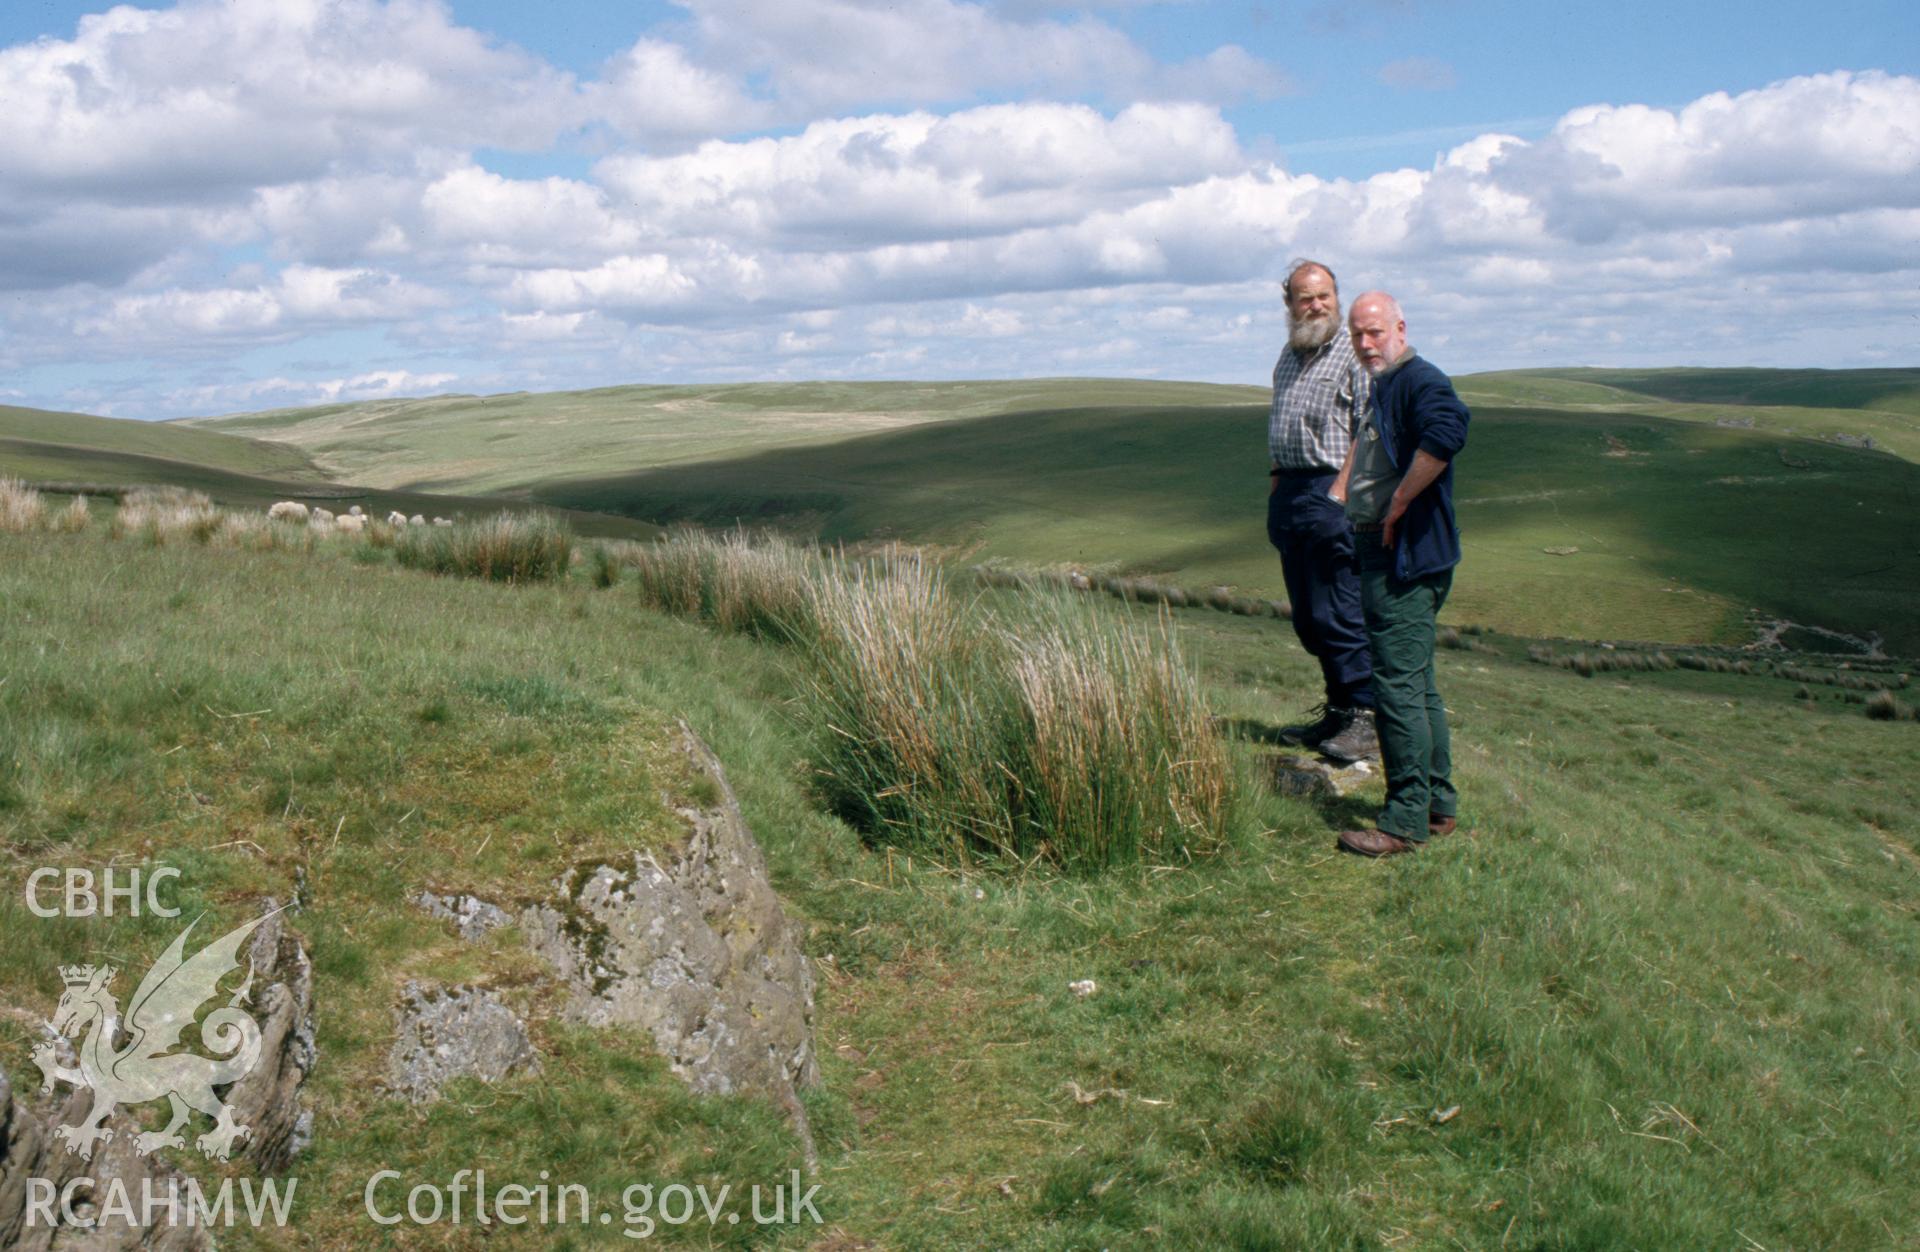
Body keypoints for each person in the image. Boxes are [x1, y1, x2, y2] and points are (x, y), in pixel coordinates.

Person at [1331, 292, 1469, 857]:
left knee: (1396, 690)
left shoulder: (1418, 380)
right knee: (1418, 686)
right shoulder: (1386, 383)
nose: (1366, 344)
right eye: (1357, 335)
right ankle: (1437, 807)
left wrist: (1398, 505)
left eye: (1375, 332)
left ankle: (1404, 822)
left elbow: (1448, 430)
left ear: (1400, 328)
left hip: (1402, 560)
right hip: (1392, 554)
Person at [1266, 260, 1377, 762]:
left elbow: (1367, 429)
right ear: (1289, 304)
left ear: (1336, 297)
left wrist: (1339, 494)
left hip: (1332, 492)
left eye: (1324, 296)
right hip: (1291, 492)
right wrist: (1275, 485)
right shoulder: (1289, 358)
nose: (1315, 306)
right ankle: (1337, 711)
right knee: (1310, 617)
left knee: (1340, 609)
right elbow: (1283, 426)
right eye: (1305, 298)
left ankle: (1366, 719)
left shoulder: (1353, 356)